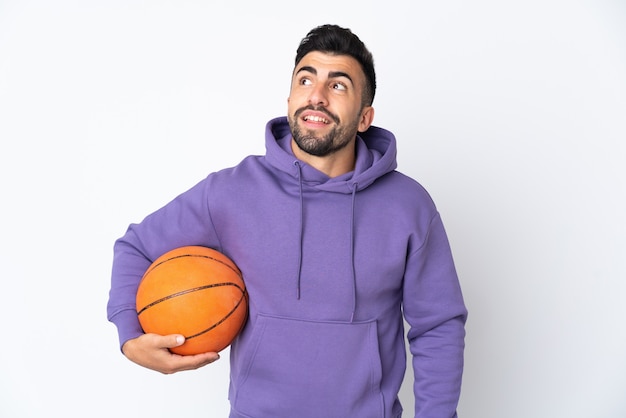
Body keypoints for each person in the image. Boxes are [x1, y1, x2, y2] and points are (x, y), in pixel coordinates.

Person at [107, 24, 467, 418]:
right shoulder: (232, 192)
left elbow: (438, 327)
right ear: (290, 97)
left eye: (338, 85)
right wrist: (130, 335)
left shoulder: (408, 206)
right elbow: (136, 247)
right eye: (306, 79)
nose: (317, 96)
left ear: (365, 117)